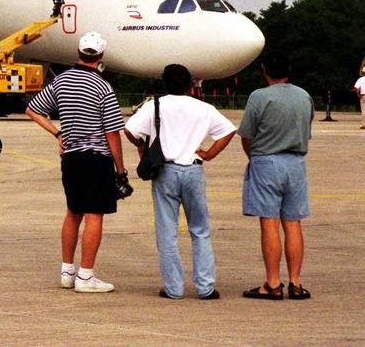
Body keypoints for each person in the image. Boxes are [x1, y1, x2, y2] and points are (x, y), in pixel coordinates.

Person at [25, 32, 127, 293]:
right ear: (101, 56)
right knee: (95, 214)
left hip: (70, 157)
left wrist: (58, 133)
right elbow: (112, 132)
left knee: (73, 212)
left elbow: (33, 109)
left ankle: (67, 271)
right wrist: (120, 168)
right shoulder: (103, 87)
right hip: (96, 158)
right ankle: (86, 276)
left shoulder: (61, 81)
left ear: (79, 52)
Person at [124, 64, 236, 300]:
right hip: (193, 169)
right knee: (200, 230)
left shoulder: (154, 105)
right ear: (189, 85)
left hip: (165, 170)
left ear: (164, 83)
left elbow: (130, 130)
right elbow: (227, 131)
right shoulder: (204, 108)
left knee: (167, 231)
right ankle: (205, 287)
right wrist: (209, 153)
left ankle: (174, 288)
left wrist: (142, 146)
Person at [238, 57, 314, 300]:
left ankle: (272, 282)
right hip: (296, 162)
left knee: (269, 222)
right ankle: (296, 281)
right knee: (293, 222)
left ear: (264, 71)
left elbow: (247, 134)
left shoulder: (259, 97)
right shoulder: (304, 96)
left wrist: (255, 156)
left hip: (266, 160)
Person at [355, 63, 365, 130]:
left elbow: (356, 88)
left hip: (363, 95)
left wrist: (358, 94)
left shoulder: (360, 79)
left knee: (364, 110)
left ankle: (364, 124)